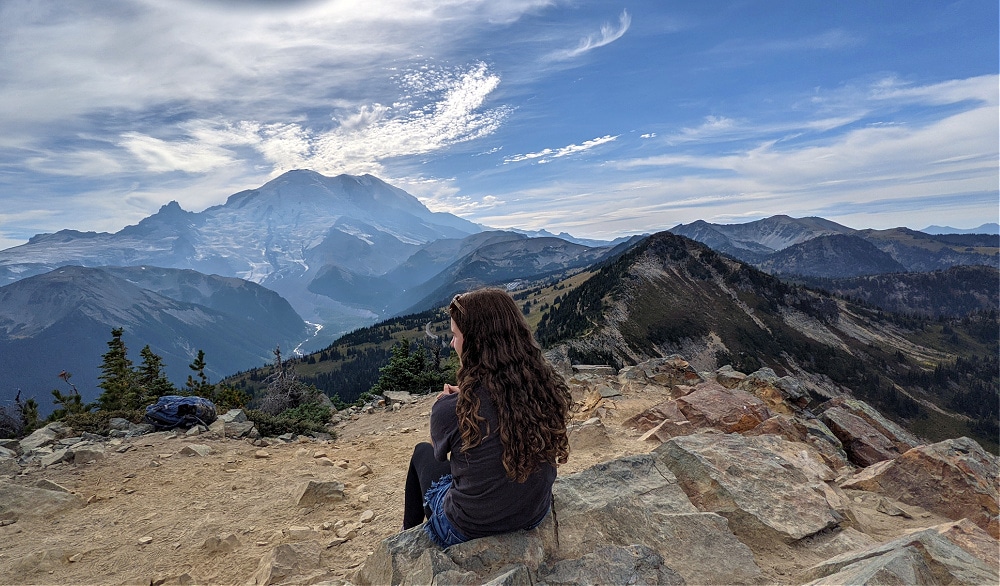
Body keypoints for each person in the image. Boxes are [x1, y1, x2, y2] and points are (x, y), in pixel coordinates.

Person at [402, 287, 572, 548]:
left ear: (474, 344)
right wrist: (471, 394)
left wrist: (457, 400)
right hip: (534, 514)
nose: (452, 343)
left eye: (455, 336)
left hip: (468, 527)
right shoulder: (544, 389)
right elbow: (499, 405)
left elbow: (441, 455)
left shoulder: (451, 409)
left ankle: (407, 537)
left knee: (421, 454)